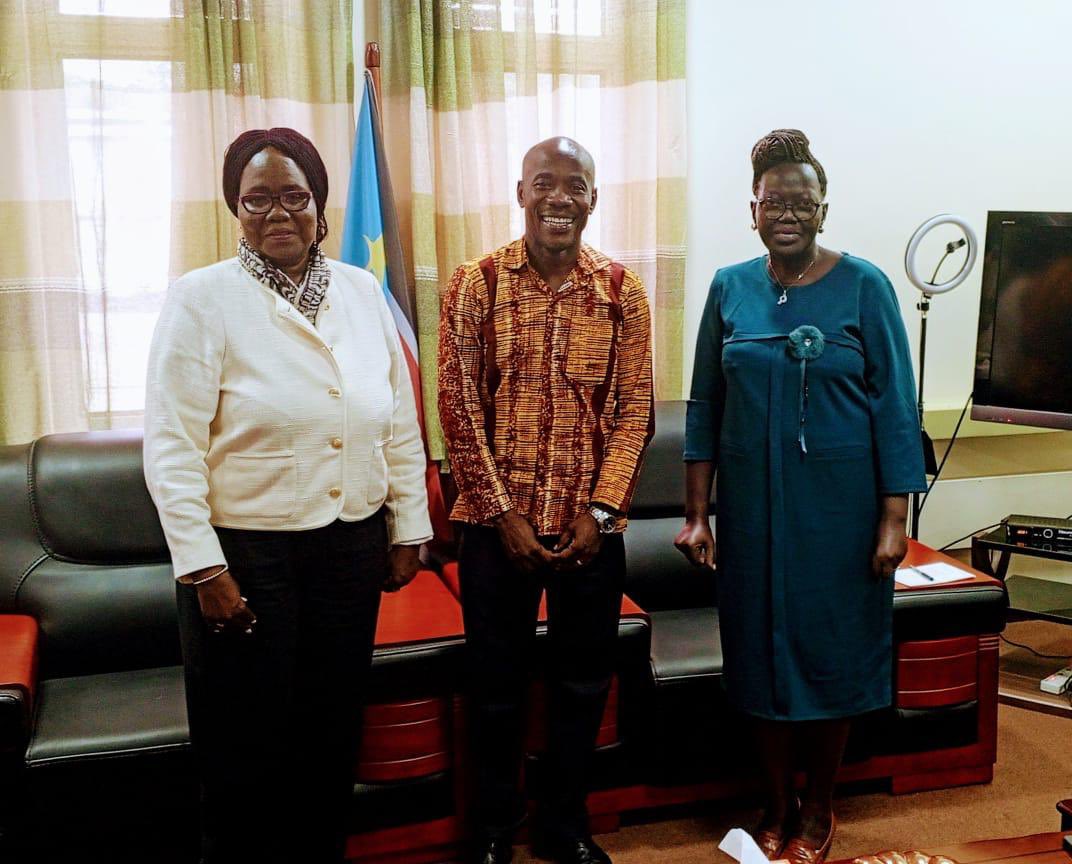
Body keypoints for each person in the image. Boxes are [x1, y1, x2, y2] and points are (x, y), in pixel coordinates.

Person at [143, 127, 432, 864]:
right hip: (244, 559)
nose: (279, 213)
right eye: (258, 199)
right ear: (235, 209)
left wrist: (408, 527)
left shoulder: (363, 290)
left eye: (294, 197)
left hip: (348, 547)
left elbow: (395, 415)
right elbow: (172, 444)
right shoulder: (202, 298)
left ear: (321, 204)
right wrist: (203, 570)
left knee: (330, 735)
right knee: (244, 747)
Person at [675, 129, 925, 864]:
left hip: (841, 516)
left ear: (824, 208)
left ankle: (819, 805)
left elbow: (896, 408)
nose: (787, 211)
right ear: (751, 209)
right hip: (752, 513)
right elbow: (704, 408)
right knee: (757, 654)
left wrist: (893, 518)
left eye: (802, 200)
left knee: (833, 651)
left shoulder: (866, 285)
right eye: (773, 200)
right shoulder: (730, 287)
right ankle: (774, 803)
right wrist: (697, 514)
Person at [438, 136, 654, 864]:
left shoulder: (623, 290)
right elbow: (458, 406)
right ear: (520, 191)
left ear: (594, 197)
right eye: (544, 183)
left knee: (583, 687)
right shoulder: (478, 282)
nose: (559, 197)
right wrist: (502, 513)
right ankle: (495, 830)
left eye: (575, 185)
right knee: (495, 689)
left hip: (590, 535)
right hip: (495, 532)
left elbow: (635, 412)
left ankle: (565, 826)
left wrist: (599, 514)